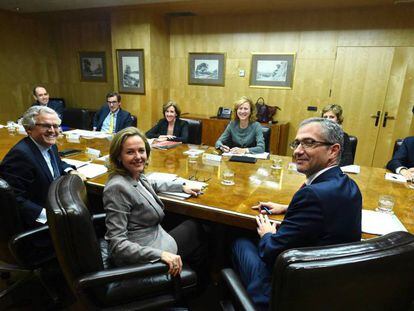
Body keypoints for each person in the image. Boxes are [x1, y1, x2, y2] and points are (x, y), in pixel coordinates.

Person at [231, 117, 362, 310]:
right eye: (297, 143)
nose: (298, 151)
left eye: (309, 143)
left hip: (292, 291)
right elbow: (324, 209)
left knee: (237, 240)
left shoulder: (312, 195)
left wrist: (267, 233)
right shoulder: (348, 183)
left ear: (333, 151)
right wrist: (287, 207)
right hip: (332, 284)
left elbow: (270, 251)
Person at [104, 127, 205, 276]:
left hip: (155, 235)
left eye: (141, 150)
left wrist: (182, 186)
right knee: (199, 230)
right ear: (119, 156)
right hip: (145, 254)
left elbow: (152, 184)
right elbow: (117, 245)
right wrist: (160, 255)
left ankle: (188, 279)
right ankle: (192, 285)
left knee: (197, 227)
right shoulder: (117, 188)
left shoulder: (135, 173)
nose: (138, 157)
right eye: (130, 152)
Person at [0, 106, 79, 230]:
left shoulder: (49, 145)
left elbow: (57, 164)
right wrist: (49, 217)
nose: (53, 131)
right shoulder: (20, 156)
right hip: (38, 226)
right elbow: (14, 199)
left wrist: (71, 170)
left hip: (56, 208)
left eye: (56, 126)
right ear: (29, 129)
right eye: (46, 126)